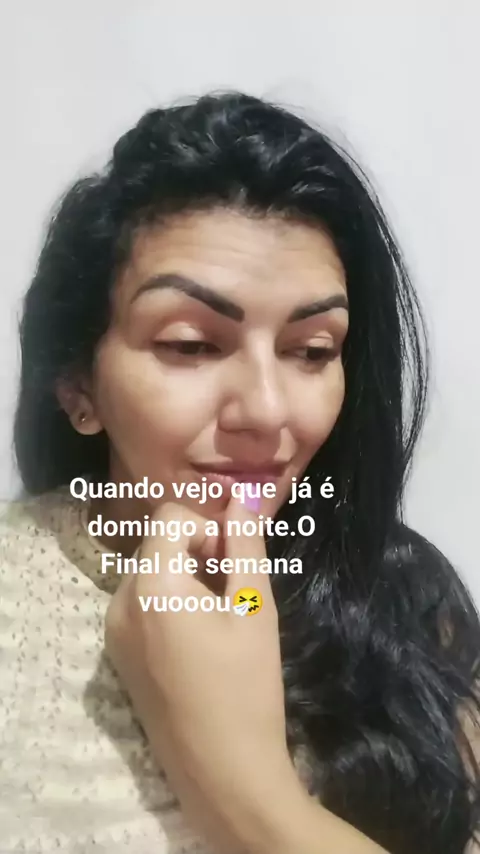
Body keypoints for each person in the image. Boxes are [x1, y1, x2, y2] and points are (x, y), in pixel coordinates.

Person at [1, 90, 479, 854]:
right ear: (77, 385)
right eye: (191, 345)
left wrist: (245, 792)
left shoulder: (407, 598)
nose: (266, 410)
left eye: (312, 351)